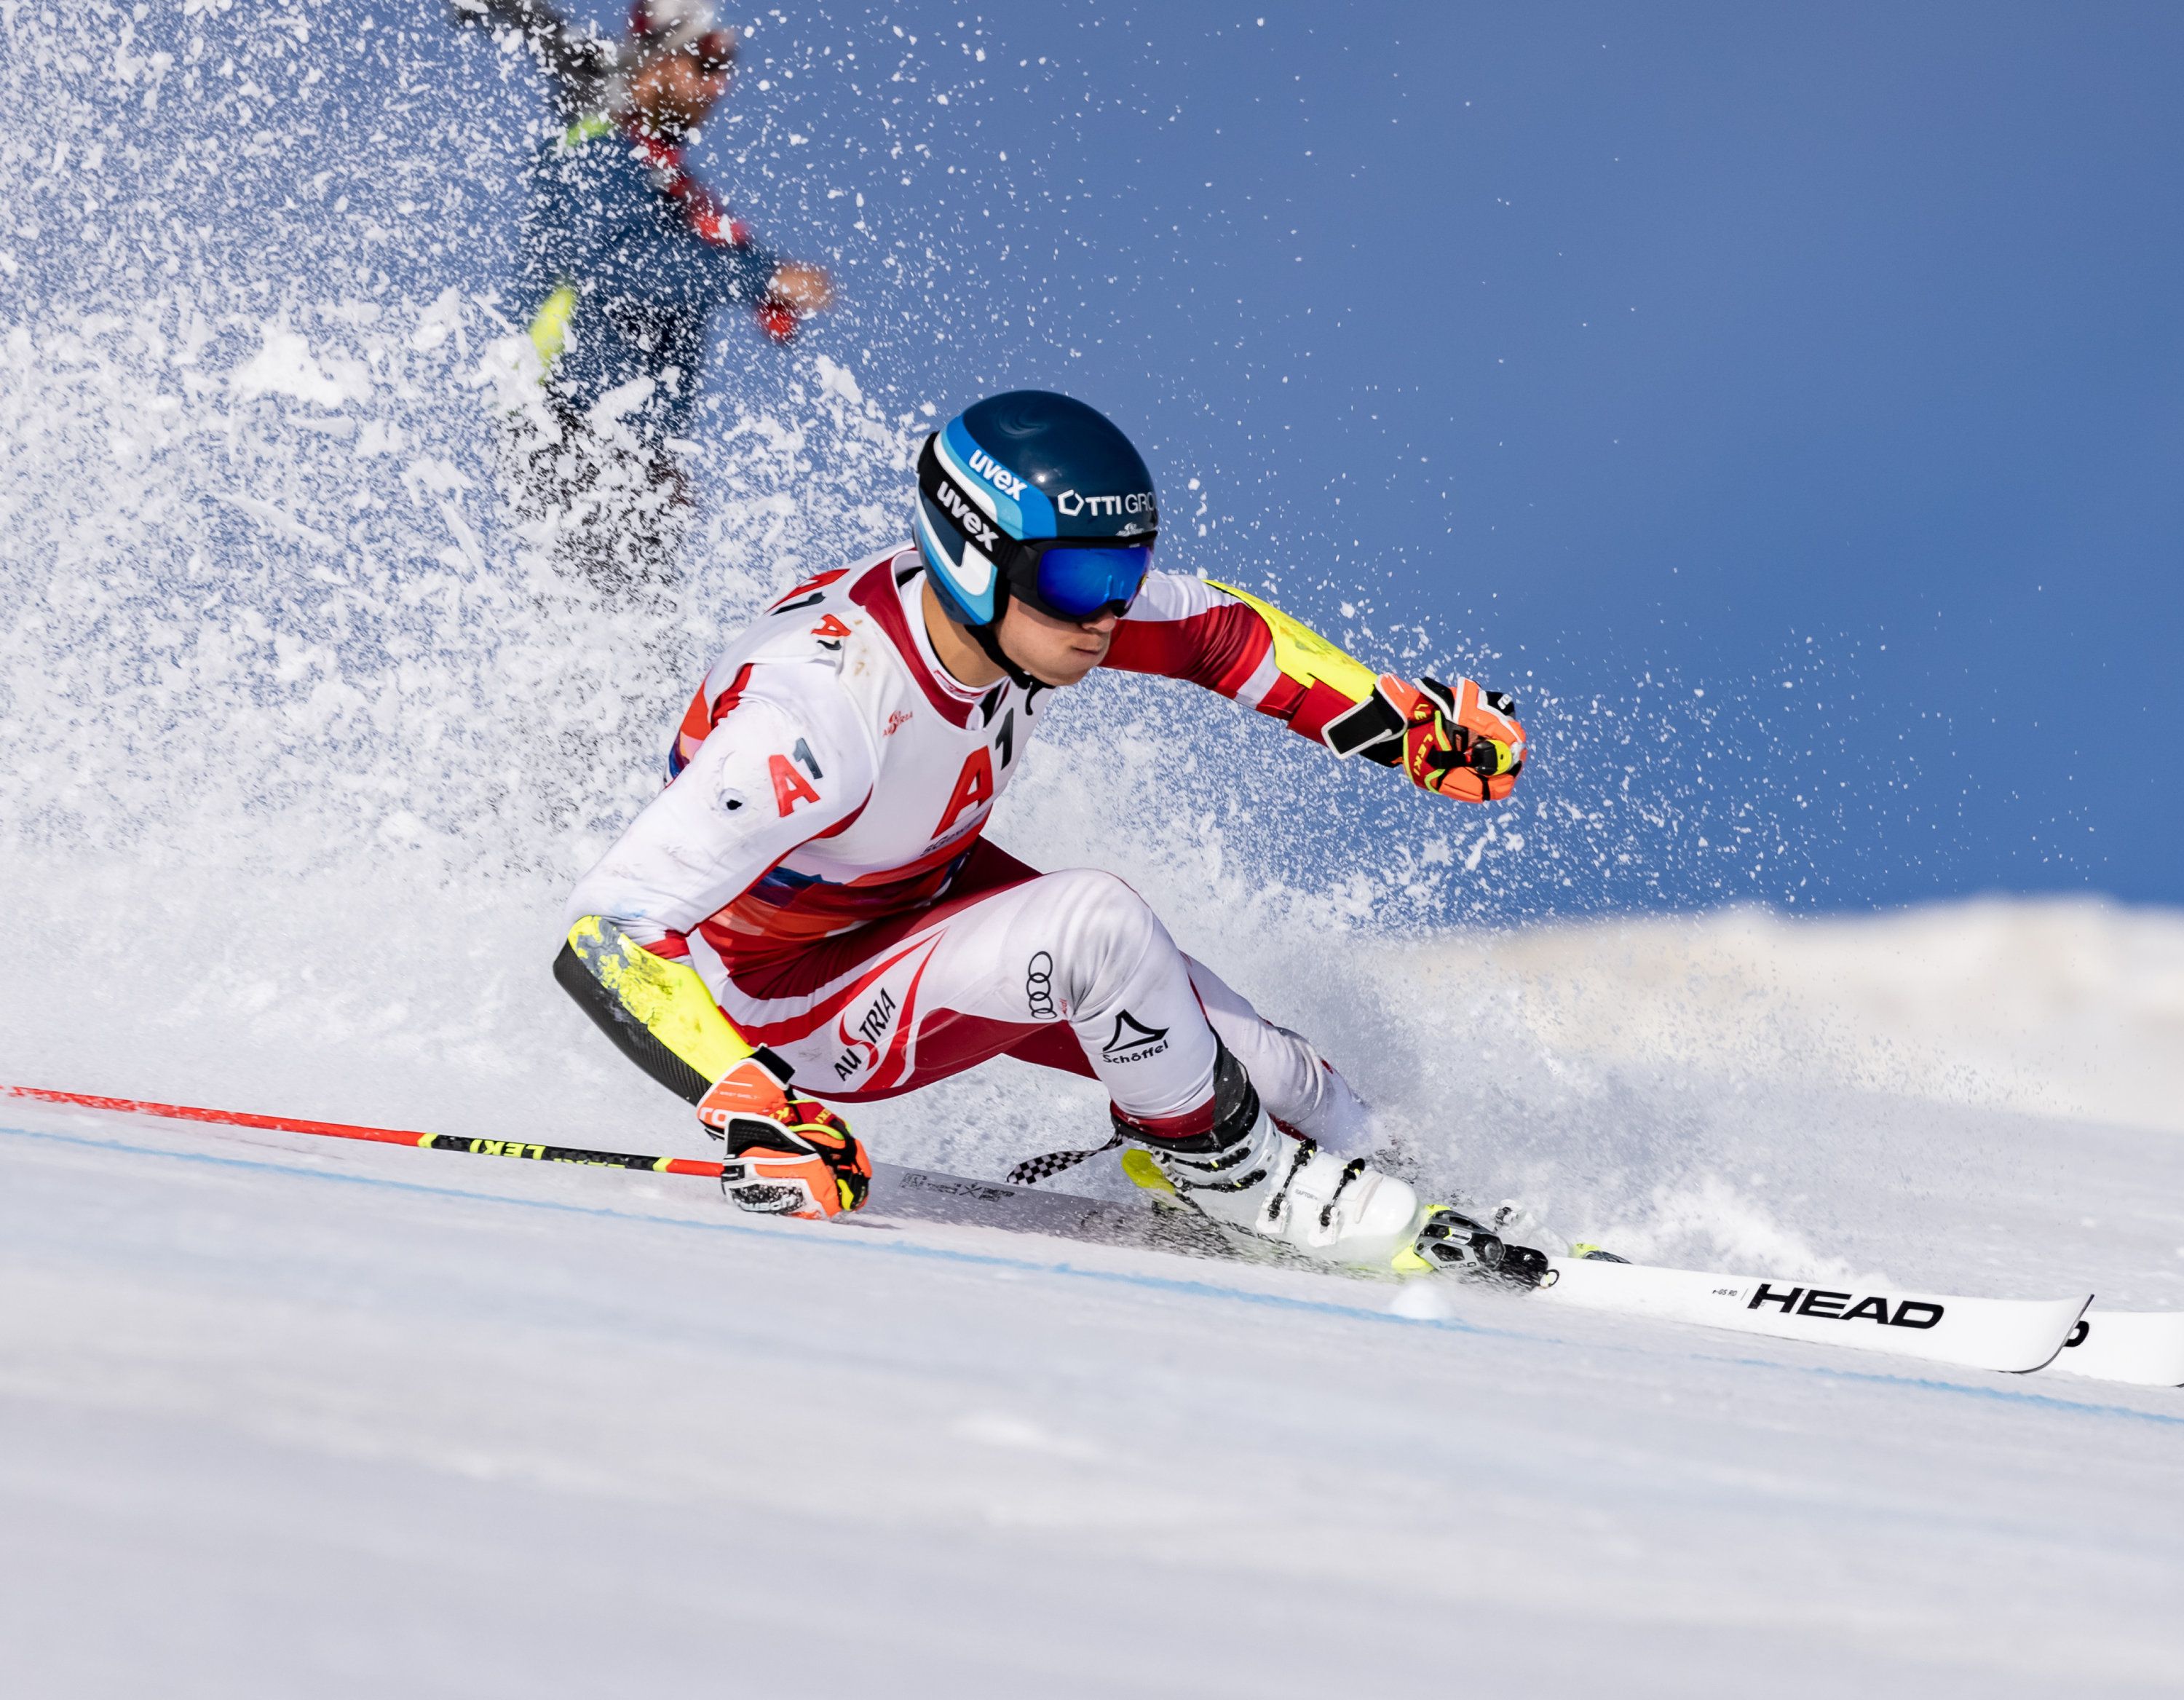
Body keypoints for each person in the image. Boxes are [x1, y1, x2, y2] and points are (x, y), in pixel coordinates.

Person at [552, 391, 1532, 1276]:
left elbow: (1217, 632)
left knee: (1282, 1073)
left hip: (910, 895)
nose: (1107, 613)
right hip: (782, 1004)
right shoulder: (820, 714)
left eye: (1127, 569)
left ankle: (1406, 1189)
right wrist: (751, 1110)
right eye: (1080, 579)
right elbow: (608, 931)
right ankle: (1236, 1176)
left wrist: (1396, 722)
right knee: (1096, 924)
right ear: (974, 555)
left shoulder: (1028, 609)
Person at [456, 0, 834, 596]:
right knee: (605, 633)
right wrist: (761, 278)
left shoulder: (664, 179)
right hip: (567, 424)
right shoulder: (600, 147)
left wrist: (658, 457)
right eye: (707, 59)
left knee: (630, 645)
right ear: (657, 64)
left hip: (620, 445)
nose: (722, 82)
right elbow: (620, 264)